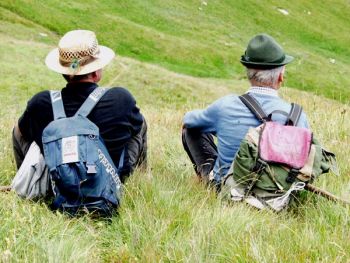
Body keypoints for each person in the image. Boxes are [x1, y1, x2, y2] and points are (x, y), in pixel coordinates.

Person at [13, 29, 147, 183]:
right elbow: (135, 127)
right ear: (96, 72)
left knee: (19, 130)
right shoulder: (121, 99)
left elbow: (21, 133)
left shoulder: (40, 102)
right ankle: (140, 179)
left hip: (59, 184)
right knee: (140, 123)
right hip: (108, 183)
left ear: (63, 72)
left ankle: (29, 181)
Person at [182, 33, 309, 190]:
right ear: (280, 77)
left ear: (248, 73)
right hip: (277, 196)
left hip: (227, 191)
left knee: (191, 129)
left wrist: (225, 130)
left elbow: (188, 121)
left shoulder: (225, 106)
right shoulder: (296, 115)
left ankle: (208, 178)